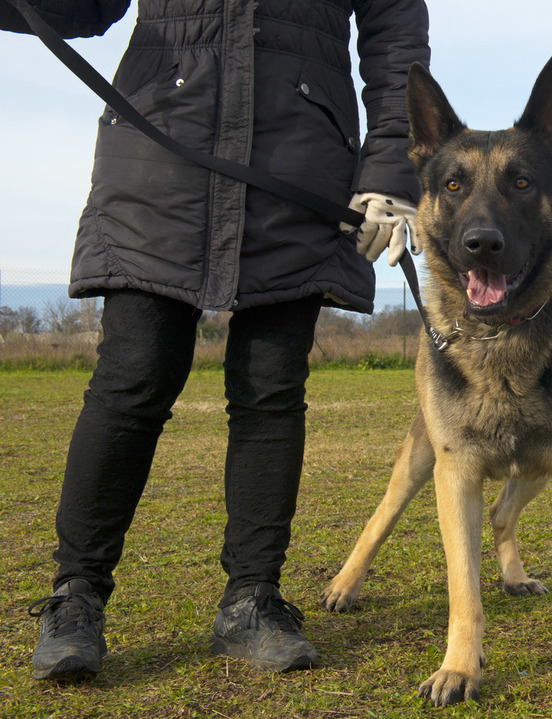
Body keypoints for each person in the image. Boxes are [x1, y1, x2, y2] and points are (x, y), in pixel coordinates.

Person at [1, 0, 430, 680]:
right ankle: (75, 596)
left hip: (299, 148)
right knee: (134, 374)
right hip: (160, 138)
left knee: (271, 385)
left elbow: (394, 25)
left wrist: (389, 171)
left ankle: (252, 599)